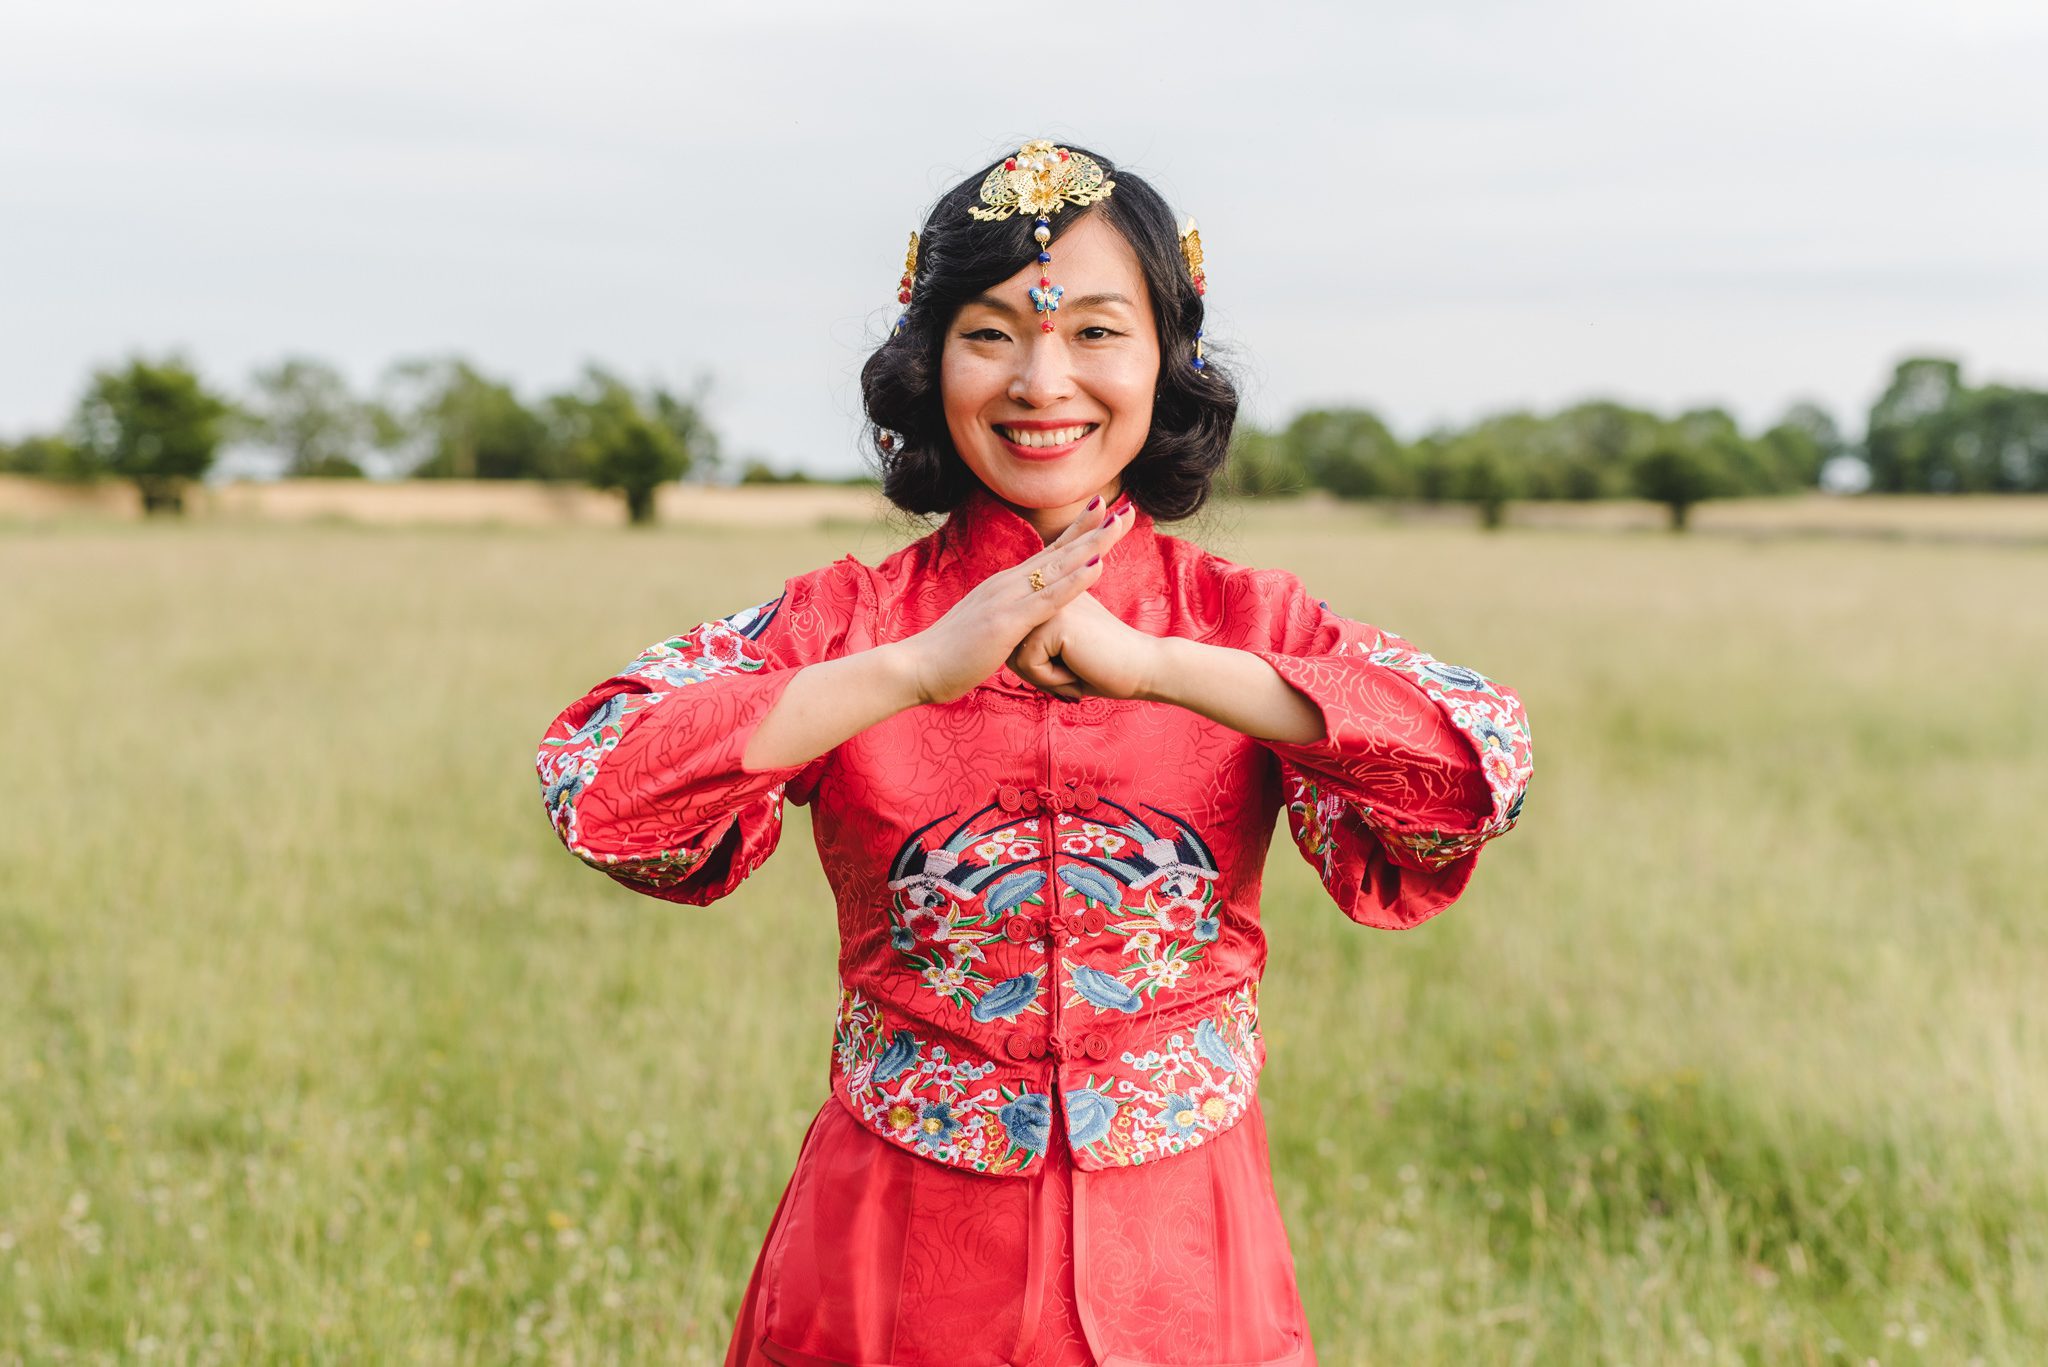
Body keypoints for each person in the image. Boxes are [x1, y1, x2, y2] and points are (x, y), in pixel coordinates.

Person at [535, 139, 1533, 1367]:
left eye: (1096, 331)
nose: (1042, 380)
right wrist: (913, 668)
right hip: (891, 1265)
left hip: (1184, 1264)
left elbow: (1471, 760)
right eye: (992, 332)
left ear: (1169, 358)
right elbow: (601, 786)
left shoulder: (1246, 626)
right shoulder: (845, 625)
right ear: (930, 361)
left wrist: (1160, 667)